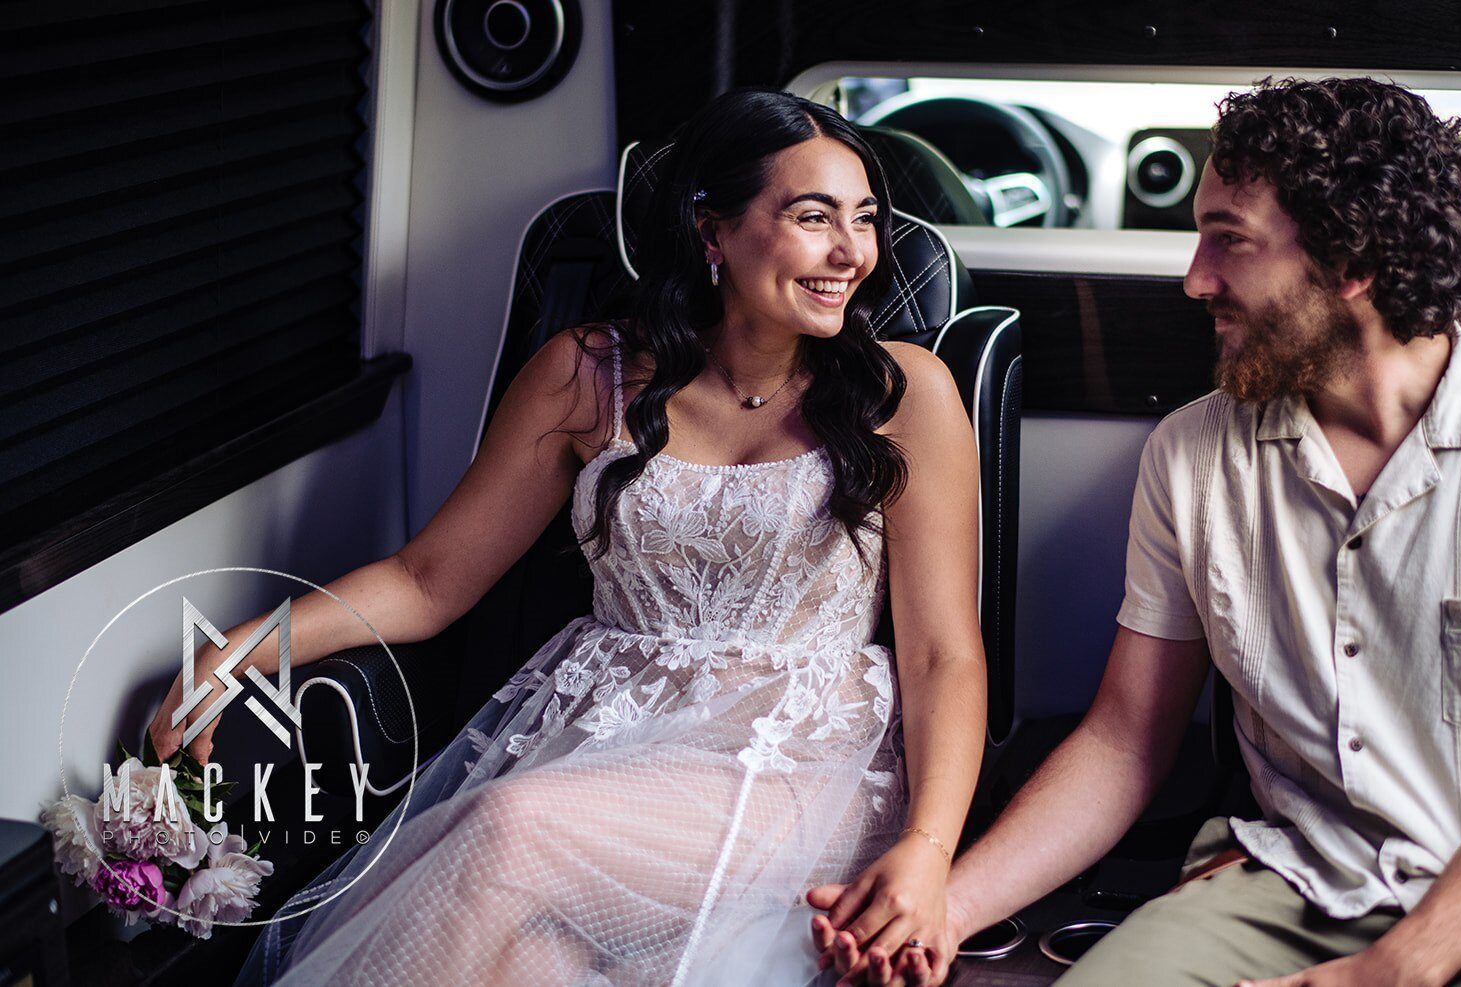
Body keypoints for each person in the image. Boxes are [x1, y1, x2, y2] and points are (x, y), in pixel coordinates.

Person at [148, 87, 988, 985]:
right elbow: (430, 578)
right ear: (713, 232)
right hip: (600, 741)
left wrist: (930, 850)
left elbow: (944, 653)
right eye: (813, 217)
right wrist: (247, 649)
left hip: (799, 770)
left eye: (864, 219)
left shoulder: (904, 391)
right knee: (525, 961)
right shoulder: (589, 372)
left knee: (505, 831)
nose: (850, 253)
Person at [813, 77, 1461, 985]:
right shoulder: (1194, 454)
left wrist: (1390, 969)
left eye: (1228, 241)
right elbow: (1124, 742)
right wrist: (946, 910)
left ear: (1354, 261)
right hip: (1295, 879)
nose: (1194, 279)